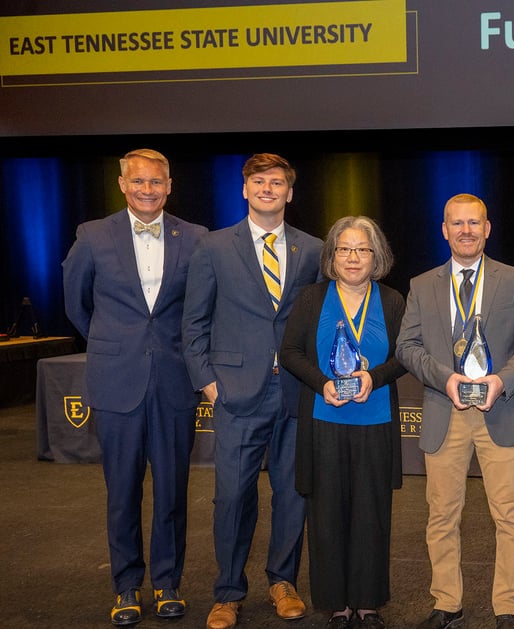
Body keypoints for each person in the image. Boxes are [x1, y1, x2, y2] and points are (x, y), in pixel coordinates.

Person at [62, 148, 207, 626]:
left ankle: (167, 583)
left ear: (170, 185)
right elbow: (76, 305)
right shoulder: (92, 235)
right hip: (116, 380)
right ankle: (126, 585)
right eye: (139, 181)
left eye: (157, 182)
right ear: (122, 184)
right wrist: (115, 344)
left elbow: (199, 310)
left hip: (172, 382)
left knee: (171, 490)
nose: (148, 190)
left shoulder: (197, 238)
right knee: (121, 491)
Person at [183, 153, 323, 629]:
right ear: (244, 190)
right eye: (258, 181)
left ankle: (283, 581)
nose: (268, 188)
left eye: (277, 182)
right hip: (235, 394)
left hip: (296, 393)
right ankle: (227, 591)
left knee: (292, 493)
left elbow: (320, 322)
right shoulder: (214, 246)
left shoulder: (313, 249)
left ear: (290, 192)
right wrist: (208, 384)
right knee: (232, 496)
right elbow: (194, 321)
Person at [396, 193, 514, 629]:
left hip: (500, 411)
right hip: (445, 411)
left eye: (473, 223)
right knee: (441, 514)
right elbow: (406, 347)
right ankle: (447, 602)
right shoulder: (422, 285)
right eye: (457, 223)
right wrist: (446, 379)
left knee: (509, 514)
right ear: (444, 230)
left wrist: (500, 381)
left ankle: (508, 608)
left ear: (487, 228)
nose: (465, 231)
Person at [279, 216, 407, 629]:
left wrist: (375, 377)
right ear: (332, 256)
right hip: (325, 420)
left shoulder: (391, 301)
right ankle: (336, 604)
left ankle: (367, 603)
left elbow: (405, 356)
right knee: (328, 514)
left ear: (376, 256)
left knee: (372, 513)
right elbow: (291, 352)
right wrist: (321, 384)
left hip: (375, 419)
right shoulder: (311, 299)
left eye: (362, 249)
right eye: (344, 249)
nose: (353, 257)